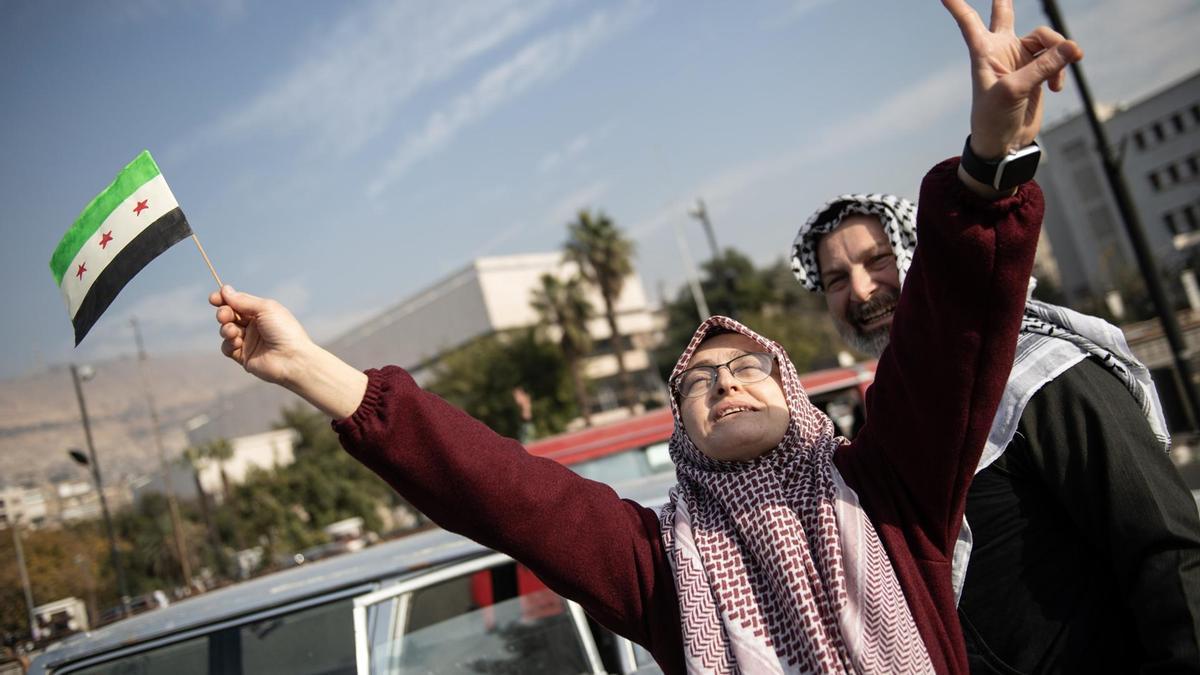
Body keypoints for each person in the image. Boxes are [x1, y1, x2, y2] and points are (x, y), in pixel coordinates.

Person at [210, 2, 1079, 672]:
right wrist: (306, 367)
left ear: (792, 386)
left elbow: (950, 336)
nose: (726, 382)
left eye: (746, 366)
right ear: (681, 430)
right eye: (700, 382)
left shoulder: (890, 487)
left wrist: (991, 163)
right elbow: (502, 492)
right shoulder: (658, 564)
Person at [791, 150, 1200, 671]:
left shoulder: (1042, 370)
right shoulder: (893, 426)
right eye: (836, 280)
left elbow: (1166, 546)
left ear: (920, 254)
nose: (863, 290)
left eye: (877, 260)